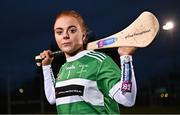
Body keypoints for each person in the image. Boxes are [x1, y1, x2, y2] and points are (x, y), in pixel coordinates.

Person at [39, 10, 137, 114]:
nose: (65, 36)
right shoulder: (64, 68)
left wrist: (126, 57)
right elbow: (52, 98)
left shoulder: (99, 61)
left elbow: (127, 99)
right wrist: (46, 66)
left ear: (84, 36)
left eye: (72, 31)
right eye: (59, 32)